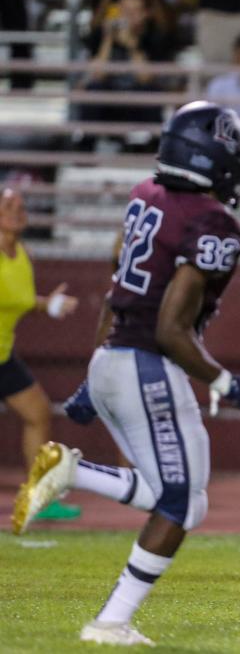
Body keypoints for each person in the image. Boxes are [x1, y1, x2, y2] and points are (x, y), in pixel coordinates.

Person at [11, 101, 240, 647]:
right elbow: (171, 329)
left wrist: (92, 372)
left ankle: (74, 473)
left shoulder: (145, 195)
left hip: (114, 356)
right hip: (147, 362)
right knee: (178, 503)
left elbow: (115, 289)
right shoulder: (212, 222)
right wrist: (225, 383)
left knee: (186, 500)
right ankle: (109, 622)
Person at [1, 187, 81, 522]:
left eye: (21, 207)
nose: (18, 211)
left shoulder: (22, 253)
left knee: (38, 413)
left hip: (3, 355)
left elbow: (16, 299)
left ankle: (39, 498)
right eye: (8, 206)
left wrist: (47, 304)